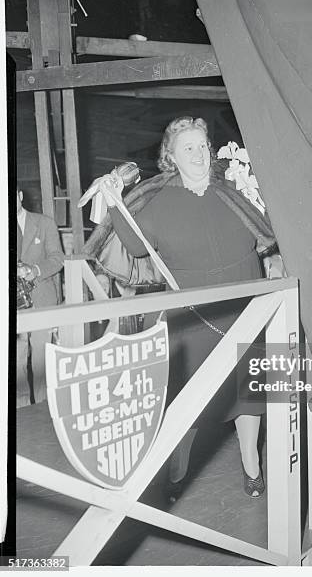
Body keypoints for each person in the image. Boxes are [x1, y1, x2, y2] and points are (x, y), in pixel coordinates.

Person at [84, 117, 278, 497]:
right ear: (170, 156)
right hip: (194, 316)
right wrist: (114, 201)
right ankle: (173, 469)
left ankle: (252, 467)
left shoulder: (231, 193)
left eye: (203, 146)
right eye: (188, 147)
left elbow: (263, 232)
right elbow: (137, 246)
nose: (198, 154)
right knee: (189, 396)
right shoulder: (162, 201)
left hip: (244, 308)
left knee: (248, 394)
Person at [16, 188, 64, 404]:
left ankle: (44, 410)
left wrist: (34, 269)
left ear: (20, 196)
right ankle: (20, 413)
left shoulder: (45, 223)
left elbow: (57, 259)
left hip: (41, 301)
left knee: (41, 364)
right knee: (15, 364)